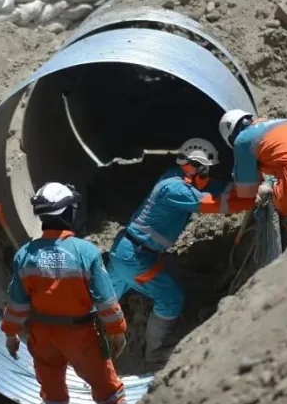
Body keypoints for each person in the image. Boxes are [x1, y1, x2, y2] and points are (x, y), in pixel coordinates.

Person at [1, 182, 129, 404]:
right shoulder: (84, 252)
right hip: (79, 335)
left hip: (42, 336)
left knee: (50, 386)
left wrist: (11, 333)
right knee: (105, 382)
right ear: (69, 212)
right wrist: (116, 330)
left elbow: (17, 302)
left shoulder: (25, 255)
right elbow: (105, 300)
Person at [105, 138, 255, 370]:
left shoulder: (177, 176)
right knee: (170, 299)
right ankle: (154, 354)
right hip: (135, 257)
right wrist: (253, 198)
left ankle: (79, 336)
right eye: (205, 169)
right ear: (197, 166)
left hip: (125, 250)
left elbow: (215, 188)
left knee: (105, 299)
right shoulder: (175, 189)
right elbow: (215, 204)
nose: (207, 174)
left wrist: (245, 189)